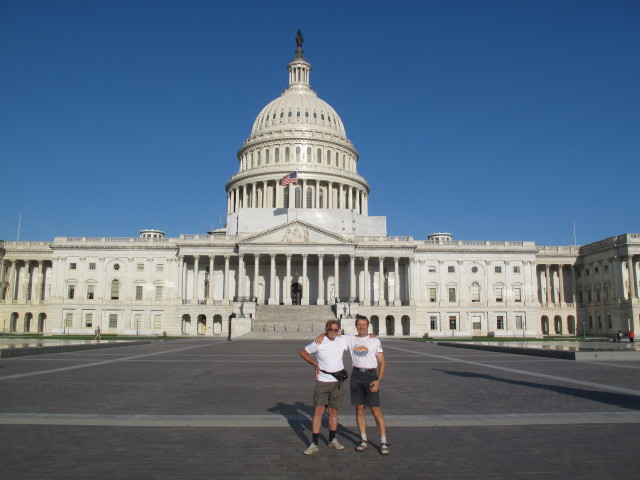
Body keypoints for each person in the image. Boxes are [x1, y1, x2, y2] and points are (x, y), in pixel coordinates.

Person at [316, 315, 390, 455]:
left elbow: (382, 362)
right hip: (356, 376)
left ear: (368, 326)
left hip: (370, 376)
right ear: (356, 326)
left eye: (364, 324)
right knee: (359, 410)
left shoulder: (375, 340)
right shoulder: (350, 339)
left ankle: (383, 441)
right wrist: (322, 334)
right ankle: (363, 440)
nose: (361, 327)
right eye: (359, 324)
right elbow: (332, 335)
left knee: (376, 411)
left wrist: (379, 379)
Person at [299, 319, 348, 455]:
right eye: (330, 329)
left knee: (333, 412)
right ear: (326, 330)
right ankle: (314, 443)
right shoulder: (319, 341)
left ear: (338, 331)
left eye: (335, 330)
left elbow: (358, 339)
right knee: (318, 412)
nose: (333, 332)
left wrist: (371, 335)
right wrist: (315, 364)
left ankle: (332, 439)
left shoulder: (341, 340)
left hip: (338, 381)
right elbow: (303, 352)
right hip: (323, 381)